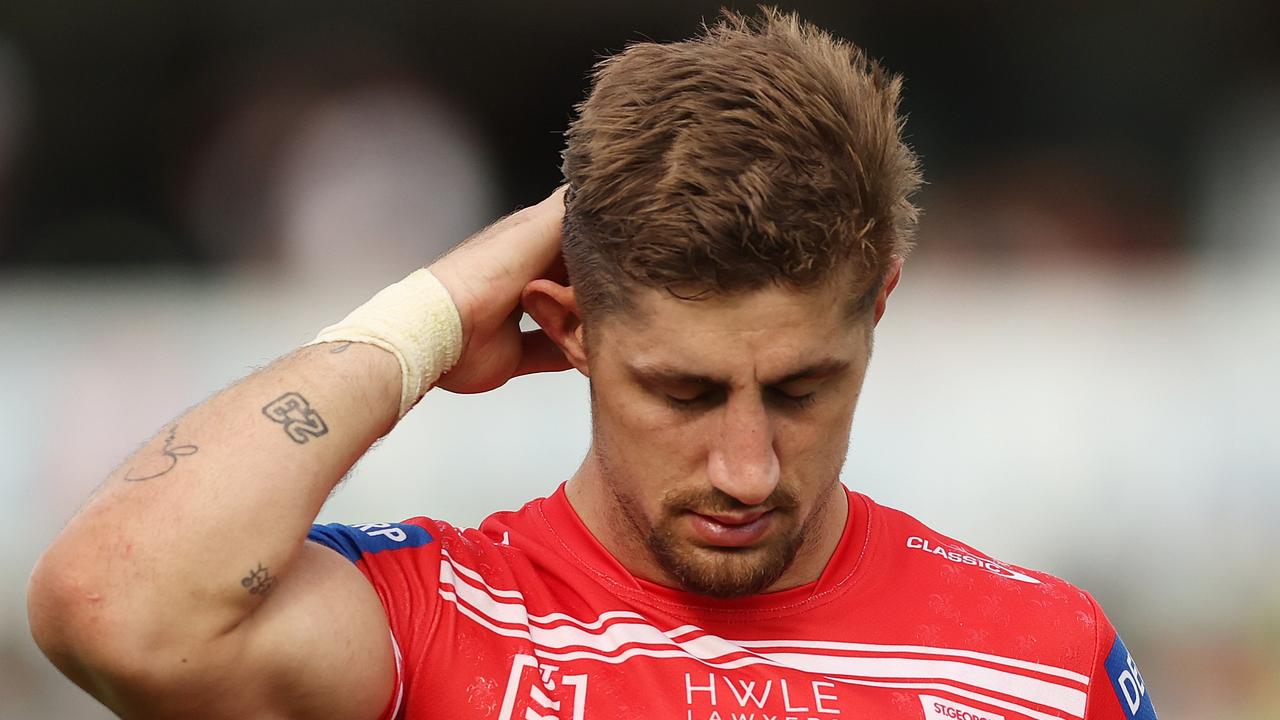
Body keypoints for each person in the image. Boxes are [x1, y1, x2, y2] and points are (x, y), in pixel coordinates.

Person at [27, 9, 1158, 720]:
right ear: (566, 329)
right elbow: (110, 604)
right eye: (683, 390)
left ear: (878, 309)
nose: (748, 470)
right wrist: (428, 317)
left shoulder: (1036, 659)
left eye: (801, 390)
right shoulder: (441, 625)